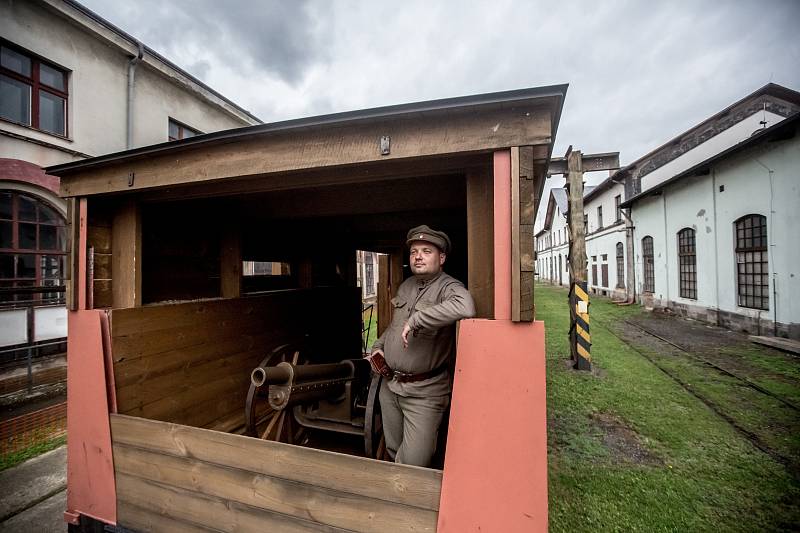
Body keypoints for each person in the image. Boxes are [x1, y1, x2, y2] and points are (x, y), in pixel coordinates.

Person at [367, 225, 475, 467]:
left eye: (426, 251)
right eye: (414, 251)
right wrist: (378, 346)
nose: (418, 256)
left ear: (442, 258)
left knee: (414, 461)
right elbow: (395, 327)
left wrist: (417, 319)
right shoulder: (406, 286)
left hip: (425, 392)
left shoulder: (449, 287)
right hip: (390, 386)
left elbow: (465, 307)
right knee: (394, 452)